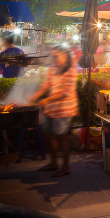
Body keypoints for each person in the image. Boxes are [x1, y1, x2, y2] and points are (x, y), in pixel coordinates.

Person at [29, 46, 79, 177]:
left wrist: (47, 100)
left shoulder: (71, 71)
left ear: (64, 55)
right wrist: (35, 96)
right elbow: (45, 86)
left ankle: (65, 167)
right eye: (53, 56)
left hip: (65, 109)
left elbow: (66, 93)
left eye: (56, 56)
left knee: (62, 137)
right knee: (46, 134)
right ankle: (53, 163)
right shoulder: (52, 69)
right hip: (52, 108)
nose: (54, 58)